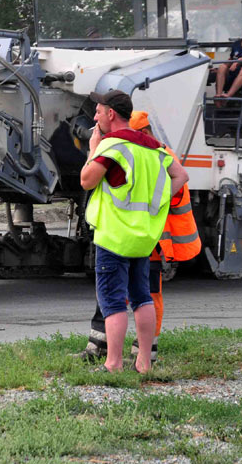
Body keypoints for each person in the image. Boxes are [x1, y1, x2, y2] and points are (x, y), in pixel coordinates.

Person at [75, 111, 200, 364]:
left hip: (149, 239)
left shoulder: (148, 153)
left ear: (140, 132)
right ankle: (104, 345)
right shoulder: (156, 153)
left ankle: (143, 353)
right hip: (143, 237)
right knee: (122, 294)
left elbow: (92, 182)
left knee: (142, 295)